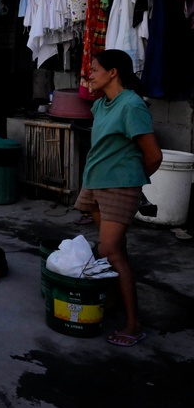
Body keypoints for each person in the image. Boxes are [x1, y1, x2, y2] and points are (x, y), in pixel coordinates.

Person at [75, 48, 162, 347]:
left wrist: (131, 181)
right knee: (112, 252)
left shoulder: (131, 105)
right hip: (95, 183)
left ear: (113, 72)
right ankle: (114, 304)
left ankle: (133, 324)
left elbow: (153, 156)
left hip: (119, 187)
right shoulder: (101, 106)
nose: (90, 75)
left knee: (109, 250)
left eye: (95, 69)